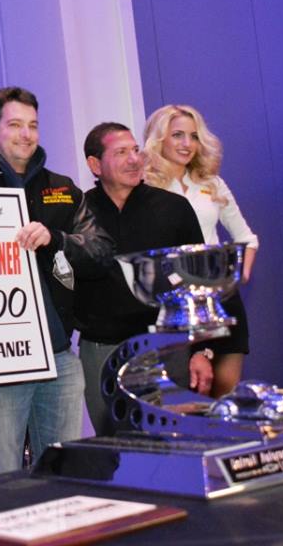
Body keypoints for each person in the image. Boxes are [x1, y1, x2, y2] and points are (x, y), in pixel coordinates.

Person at [0, 86, 115, 477]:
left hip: (59, 356)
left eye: (33, 125)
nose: (26, 134)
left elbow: (102, 250)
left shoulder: (63, 189)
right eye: (15, 125)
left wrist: (56, 239)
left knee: (63, 474)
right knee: (1, 477)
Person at [75, 122, 211, 434]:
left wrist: (200, 352)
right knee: (115, 446)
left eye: (136, 150)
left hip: (166, 348)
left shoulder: (174, 208)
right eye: (121, 152)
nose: (134, 159)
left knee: (170, 442)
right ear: (95, 164)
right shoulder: (78, 212)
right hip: (100, 350)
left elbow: (198, 283)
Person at [142, 104, 259, 397]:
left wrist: (235, 278)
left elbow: (247, 238)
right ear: (159, 139)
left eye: (193, 136)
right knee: (188, 400)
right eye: (177, 135)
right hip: (175, 307)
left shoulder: (212, 183)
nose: (187, 144)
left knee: (224, 398)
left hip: (221, 303)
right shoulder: (145, 186)